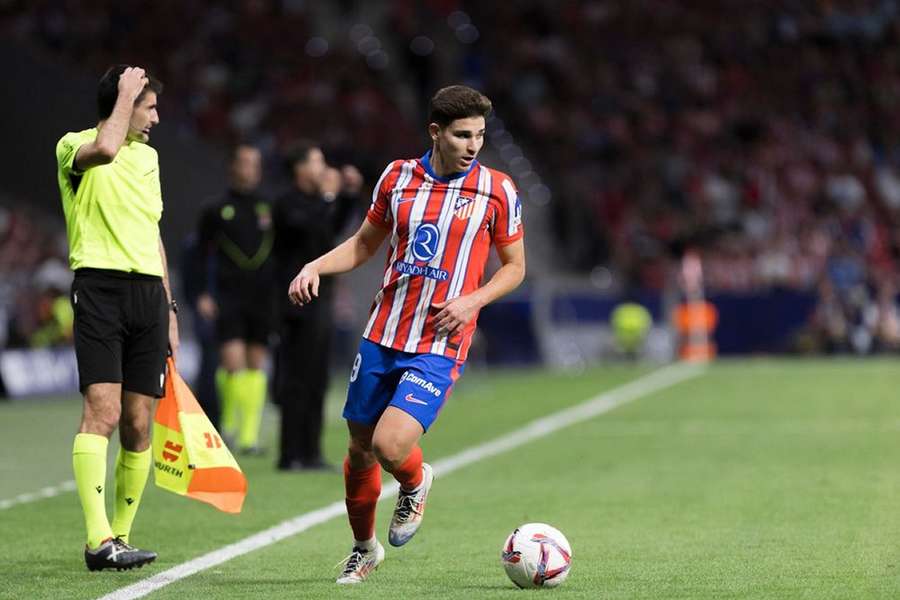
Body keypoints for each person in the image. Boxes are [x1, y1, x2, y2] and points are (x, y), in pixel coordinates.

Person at [288, 85, 526, 584]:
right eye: (463, 135)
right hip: (383, 332)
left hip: (440, 340)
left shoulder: (497, 189)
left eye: (480, 135)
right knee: (357, 448)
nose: (473, 145)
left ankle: (416, 482)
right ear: (435, 132)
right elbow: (363, 245)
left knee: (390, 446)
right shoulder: (397, 178)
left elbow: (515, 267)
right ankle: (363, 548)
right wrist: (315, 266)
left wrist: (472, 300)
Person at [55, 65, 178, 571]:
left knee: (137, 423)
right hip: (99, 288)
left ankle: (120, 537)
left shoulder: (149, 158)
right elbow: (104, 150)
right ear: (123, 102)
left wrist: (169, 308)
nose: (155, 118)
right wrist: (126, 92)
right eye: (148, 107)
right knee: (101, 414)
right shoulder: (73, 146)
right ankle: (96, 540)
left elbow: (152, 232)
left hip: (148, 294)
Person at [273, 141, 362, 471]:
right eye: (316, 160)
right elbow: (312, 232)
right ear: (299, 168)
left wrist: (349, 195)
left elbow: (333, 232)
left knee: (318, 378)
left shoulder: (315, 203)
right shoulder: (286, 204)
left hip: (320, 301)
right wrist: (329, 197)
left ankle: (310, 451)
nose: (323, 168)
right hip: (295, 305)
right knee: (295, 379)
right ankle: (289, 453)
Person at [194, 144, 274, 454]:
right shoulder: (215, 209)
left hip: (262, 298)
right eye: (244, 163)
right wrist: (202, 291)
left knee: (256, 364)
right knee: (232, 363)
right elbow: (199, 255)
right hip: (228, 297)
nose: (250, 169)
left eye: (255, 164)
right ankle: (228, 424)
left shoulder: (269, 207)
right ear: (233, 167)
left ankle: (249, 437)